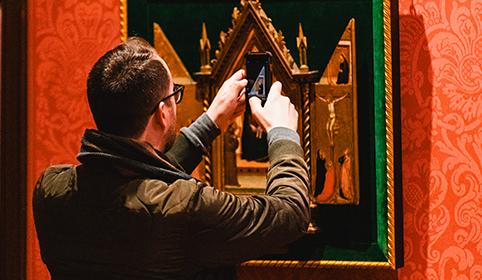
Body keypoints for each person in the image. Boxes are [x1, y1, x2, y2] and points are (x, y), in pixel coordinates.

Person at [33, 37, 310, 280]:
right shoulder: (187, 209)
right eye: (174, 94)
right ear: (163, 113)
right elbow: (290, 214)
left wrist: (210, 122)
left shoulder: (50, 189)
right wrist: (282, 133)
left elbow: (134, 178)